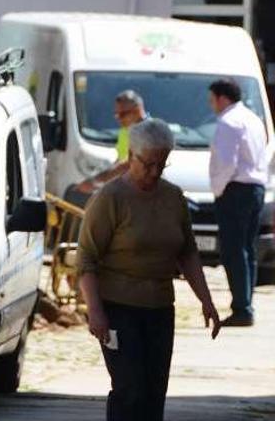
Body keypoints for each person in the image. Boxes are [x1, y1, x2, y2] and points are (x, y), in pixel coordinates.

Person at [78, 118, 220, 421]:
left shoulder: (173, 197)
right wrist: (95, 310)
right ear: (131, 157)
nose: (155, 172)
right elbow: (86, 259)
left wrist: (206, 300)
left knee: (154, 393)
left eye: (162, 165)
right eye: (149, 164)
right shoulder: (110, 198)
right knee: (130, 389)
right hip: (118, 308)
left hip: (159, 308)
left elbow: (188, 252)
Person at [208, 79, 266, 327]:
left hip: (236, 190)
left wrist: (218, 191)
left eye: (212, 99)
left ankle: (242, 307)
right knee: (247, 250)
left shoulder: (228, 122)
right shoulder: (253, 119)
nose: (211, 105)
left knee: (234, 250)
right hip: (255, 188)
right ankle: (246, 304)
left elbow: (226, 163)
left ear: (222, 98)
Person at [74, 90, 148, 195]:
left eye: (122, 114)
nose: (119, 119)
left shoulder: (149, 132)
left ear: (137, 111)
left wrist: (96, 180)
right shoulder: (125, 131)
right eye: (116, 114)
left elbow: (129, 164)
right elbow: (120, 161)